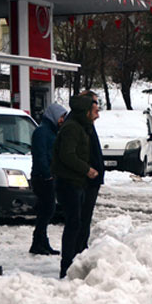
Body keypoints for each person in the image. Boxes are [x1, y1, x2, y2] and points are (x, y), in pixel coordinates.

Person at [51, 91, 104, 278]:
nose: (98, 114)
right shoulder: (73, 128)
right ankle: (67, 266)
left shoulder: (83, 126)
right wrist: (87, 169)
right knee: (74, 224)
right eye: (95, 110)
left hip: (78, 183)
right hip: (70, 183)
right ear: (86, 111)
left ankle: (75, 261)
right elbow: (68, 155)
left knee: (80, 223)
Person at [29, 102, 68, 255]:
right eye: (61, 117)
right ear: (54, 116)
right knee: (47, 210)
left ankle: (41, 242)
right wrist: (47, 175)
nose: (62, 120)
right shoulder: (42, 132)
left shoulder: (51, 132)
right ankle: (38, 242)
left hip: (48, 176)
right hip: (42, 178)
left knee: (46, 210)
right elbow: (40, 156)